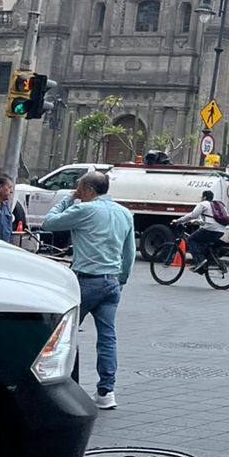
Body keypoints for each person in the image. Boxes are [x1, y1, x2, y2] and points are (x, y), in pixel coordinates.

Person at [40, 171, 135, 410]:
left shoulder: (84, 210)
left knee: (65, 335)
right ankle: (106, 390)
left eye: (80, 187)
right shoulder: (125, 214)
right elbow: (129, 253)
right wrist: (120, 280)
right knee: (107, 337)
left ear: (90, 190)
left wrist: (68, 200)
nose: (78, 191)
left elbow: (49, 222)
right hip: (111, 282)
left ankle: (62, 389)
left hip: (86, 281)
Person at [176, 191, 229, 272]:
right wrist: (196, 222)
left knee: (191, 239)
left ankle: (200, 261)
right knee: (204, 243)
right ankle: (210, 262)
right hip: (221, 231)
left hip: (210, 229)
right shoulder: (216, 206)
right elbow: (211, 220)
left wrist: (178, 221)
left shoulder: (203, 204)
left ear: (204, 197)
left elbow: (193, 215)